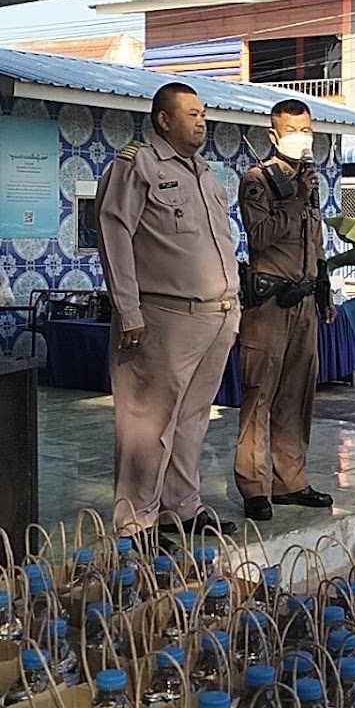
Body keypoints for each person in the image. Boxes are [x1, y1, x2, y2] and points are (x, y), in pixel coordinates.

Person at [96, 82, 240, 537]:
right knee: (146, 424)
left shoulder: (206, 173)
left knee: (194, 419)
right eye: (192, 114)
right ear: (164, 120)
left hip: (216, 317)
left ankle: (181, 507)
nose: (202, 121)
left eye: (203, 114)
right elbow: (114, 232)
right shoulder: (136, 165)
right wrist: (128, 310)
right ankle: (135, 523)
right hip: (164, 317)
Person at [233, 100, 336, 521]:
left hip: (306, 301)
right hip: (270, 303)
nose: (302, 136)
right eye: (293, 129)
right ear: (274, 135)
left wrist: (325, 291)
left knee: (297, 394)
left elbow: (316, 243)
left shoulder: (309, 181)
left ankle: (290, 479)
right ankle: (254, 485)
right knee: (260, 394)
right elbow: (259, 236)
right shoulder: (257, 181)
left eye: (307, 128)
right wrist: (296, 199)